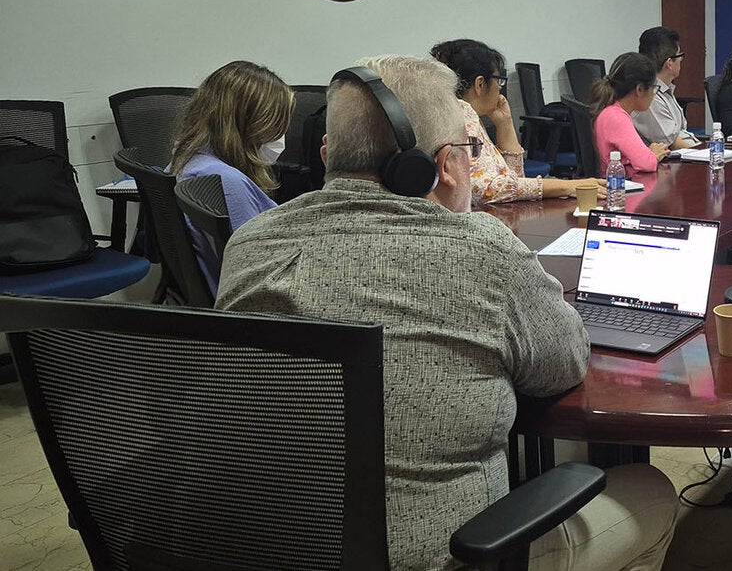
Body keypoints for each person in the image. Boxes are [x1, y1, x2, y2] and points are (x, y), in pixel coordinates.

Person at [216, 55, 675, 571]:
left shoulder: (251, 243)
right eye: (468, 150)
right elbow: (563, 365)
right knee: (653, 493)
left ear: (328, 154)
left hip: (258, 546)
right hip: (448, 558)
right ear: (442, 166)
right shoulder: (481, 248)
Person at [169, 60, 294, 293]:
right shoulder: (224, 181)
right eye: (276, 125)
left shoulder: (188, 159)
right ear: (251, 123)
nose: (280, 135)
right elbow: (258, 269)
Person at [431, 39, 604, 206]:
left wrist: (504, 124)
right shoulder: (461, 114)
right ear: (480, 84)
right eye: (498, 80)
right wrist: (568, 186)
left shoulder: (464, 114)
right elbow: (486, 190)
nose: (499, 88)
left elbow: (512, 180)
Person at [592, 52, 670, 174]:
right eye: (654, 88)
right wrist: (652, 154)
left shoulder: (611, 111)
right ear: (639, 89)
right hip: (617, 186)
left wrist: (648, 153)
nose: (654, 94)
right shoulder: (616, 117)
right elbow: (646, 164)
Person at [633, 27, 698, 150]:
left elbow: (681, 132)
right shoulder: (649, 96)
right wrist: (710, 154)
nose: (681, 60)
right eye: (680, 55)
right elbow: (673, 143)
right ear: (669, 63)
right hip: (664, 165)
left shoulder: (665, 90)